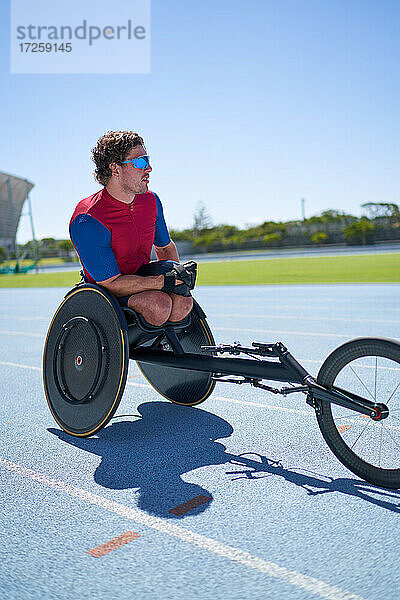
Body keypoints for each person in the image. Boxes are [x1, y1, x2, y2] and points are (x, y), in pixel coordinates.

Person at [69, 130, 193, 326]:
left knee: (183, 303)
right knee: (158, 305)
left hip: (142, 276)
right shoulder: (87, 219)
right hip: (107, 291)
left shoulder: (151, 201)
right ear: (115, 169)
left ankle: (160, 346)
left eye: (148, 160)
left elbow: (165, 248)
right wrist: (164, 282)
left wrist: (178, 280)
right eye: (141, 162)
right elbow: (111, 283)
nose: (149, 168)